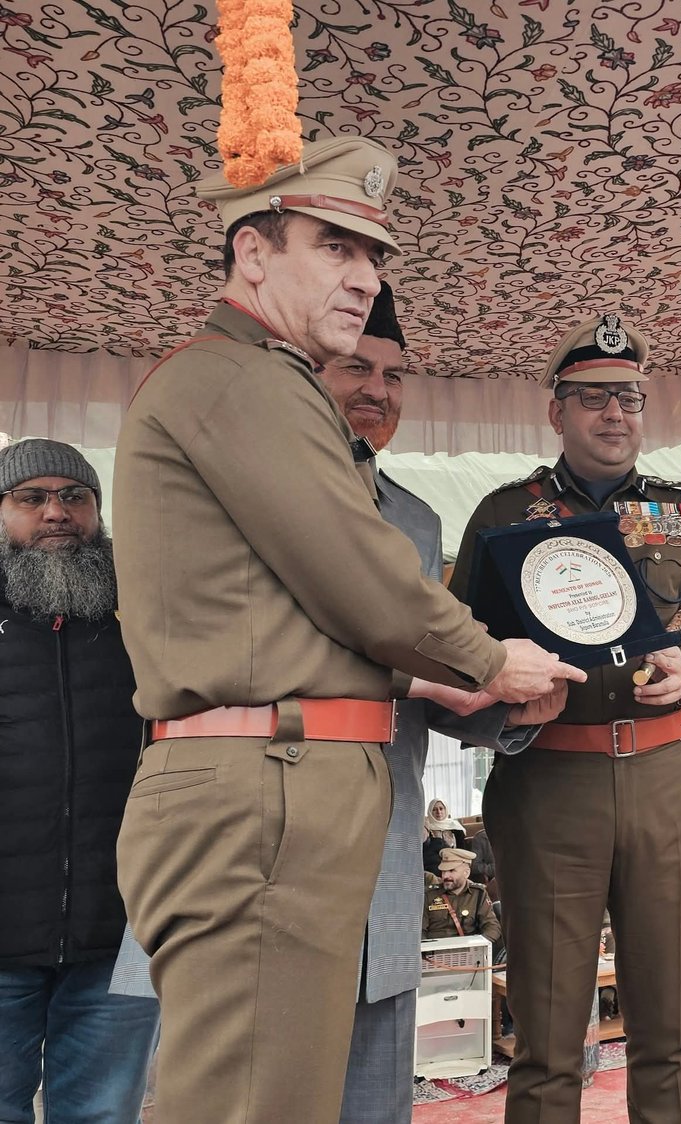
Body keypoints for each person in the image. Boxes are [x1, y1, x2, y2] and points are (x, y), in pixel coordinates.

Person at [111, 135, 584, 1124]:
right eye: (335, 245)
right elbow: (361, 577)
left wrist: (449, 676)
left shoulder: (259, 385)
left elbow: (302, 608)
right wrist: (491, 658)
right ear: (252, 251)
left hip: (286, 782)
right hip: (262, 790)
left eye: (374, 255)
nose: (365, 276)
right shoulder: (245, 378)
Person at [448, 314, 681, 1123]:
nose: (615, 414)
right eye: (593, 399)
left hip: (668, 778)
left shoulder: (678, 511)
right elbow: (455, 647)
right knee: (548, 1042)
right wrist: (504, 681)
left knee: (667, 1030)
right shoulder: (504, 514)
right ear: (558, 412)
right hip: (551, 780)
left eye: (630, 398)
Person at [313, 283, 561, 1124]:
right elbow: (289, 655)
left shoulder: (415, 522)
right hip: (278, 821)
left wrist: (504, 713)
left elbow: (421, 675)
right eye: (354, 366)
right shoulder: (252, 497)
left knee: (376, 1090)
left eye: (393, 373)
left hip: (385, 832)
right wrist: (484, 671)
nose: (377, 389)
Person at [0, 440, 161, 1124]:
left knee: (100, 1116)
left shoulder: (152, 622)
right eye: (31, 498)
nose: (56, 513)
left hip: (118, 935)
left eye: (75, 497)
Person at [422, 848, 502, 945]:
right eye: (443, 871)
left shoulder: (478, 894)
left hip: (469, 951)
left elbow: (492, 927)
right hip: (434, 953)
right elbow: (419, 931)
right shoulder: (429, 895)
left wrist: (477, 946)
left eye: (451, 871)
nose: (445, 876)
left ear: (466, 873)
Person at [422, 798, 468, 874]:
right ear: (430, 811)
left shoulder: (456, 827)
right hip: (435, 864)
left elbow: (462, 849)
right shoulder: (426, 828)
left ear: (445, 810)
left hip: (455, 861)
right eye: (434, 809)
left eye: (441, 809)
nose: (438, 812)